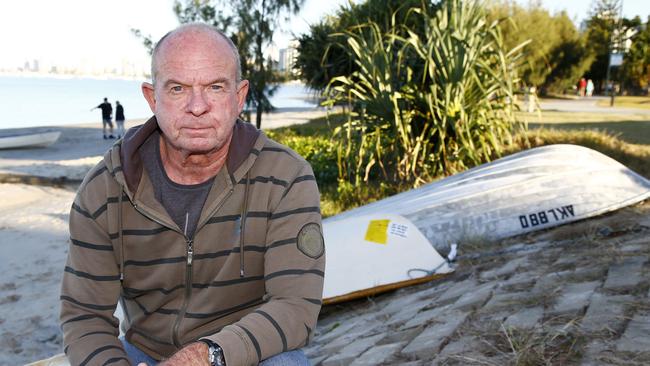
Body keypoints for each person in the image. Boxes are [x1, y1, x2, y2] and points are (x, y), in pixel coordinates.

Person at [60, 23, 325, 366]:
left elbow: (296, 309)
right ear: (153, 98)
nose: (197, 107)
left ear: (239, 96)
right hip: (146, 352)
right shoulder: (105, 189)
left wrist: (207, 356)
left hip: (243, 350)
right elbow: (84, 316)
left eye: (215, 87)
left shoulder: (286, 177)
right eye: (178, 88)